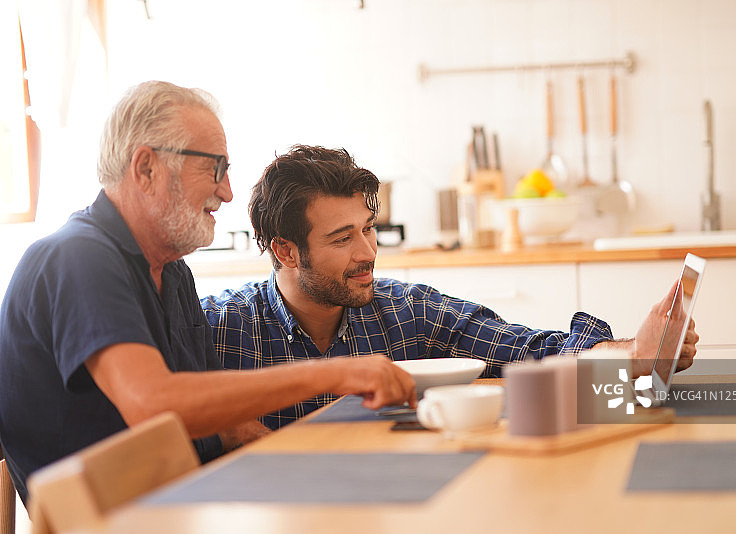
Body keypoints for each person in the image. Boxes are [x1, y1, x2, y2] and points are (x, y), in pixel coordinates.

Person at [0, 83, 416, 505]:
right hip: (116, 520)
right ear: (146, 168)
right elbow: (153, 404)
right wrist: (336, 373)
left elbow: (225, 427)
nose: (228, 191)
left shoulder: (171, 269)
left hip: (184, 503)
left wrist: (309, 469)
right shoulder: (78, 257)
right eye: (214, 168)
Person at [202, 145, 699, 429]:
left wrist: (632, 355)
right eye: (342, 239)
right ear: (285, 251)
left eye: (369, 229)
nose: (369, 253)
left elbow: (530, 353)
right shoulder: (222, 329)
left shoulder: (407, 311)